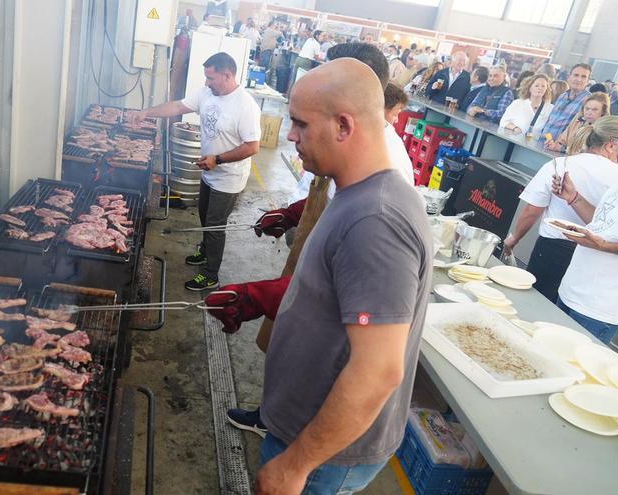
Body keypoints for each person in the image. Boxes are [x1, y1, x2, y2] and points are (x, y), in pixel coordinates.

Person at [210, 57, 432, 495]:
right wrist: (264, 298)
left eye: (300, 124)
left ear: (344, 126)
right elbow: (335, 294)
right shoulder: (354, 191)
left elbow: (378, 370)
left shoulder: (377, 221)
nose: (289, 136)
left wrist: (296, 465)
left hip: (322, 456)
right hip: (301, 428)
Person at [131, 53, 260, 291]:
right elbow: (178, 106)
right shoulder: (207, 94)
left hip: (229, 178)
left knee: (214, 226)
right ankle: (205, 252)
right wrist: (147, 112)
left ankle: (211, 274)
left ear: (227, 75)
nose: (206, 83)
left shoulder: (245, 106)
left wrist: (218, 159)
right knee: (204, 216)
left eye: (210, 78)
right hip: (209, 170)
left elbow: (252, 146)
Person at [504, 116, 618, 302]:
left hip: (552, 248)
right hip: (593, 255)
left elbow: (532, 210)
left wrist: (514, 239)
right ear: (611, 145)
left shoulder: (561, 164)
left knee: (533, 303)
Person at [550, 119, 618, 343]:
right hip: (574, 290)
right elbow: (604, 222)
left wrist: (604, 246)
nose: (614, 144)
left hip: (602, 306)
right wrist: (574, 198)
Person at [541, 63, 592, 142]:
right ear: (569, 77)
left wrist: (561, 146)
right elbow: (550, 121)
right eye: (576, 75)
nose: (578, 79)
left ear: (588, 81)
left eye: (583, 77)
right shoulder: (563, 96)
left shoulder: (589, 101)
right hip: (543, 142)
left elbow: (583, 130)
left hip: (560, 151)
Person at [545, 92, 610, 152]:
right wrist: (554, 146)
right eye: (587, 108)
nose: (589, 112)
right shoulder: (578, 121)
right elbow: (562, 141)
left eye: (595, 109)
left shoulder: (604, 131)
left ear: (603, 112)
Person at [499, 73, 555, 138]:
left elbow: (549, 131)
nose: (540, 88)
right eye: (536, 86)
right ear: (529, 88)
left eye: (543, 86)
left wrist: (549, 139)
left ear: (546, 89)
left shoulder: (550, 108)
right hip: (515, 142)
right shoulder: (518, 103)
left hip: (534, 146)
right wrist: (515, 128)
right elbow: (503, 122)